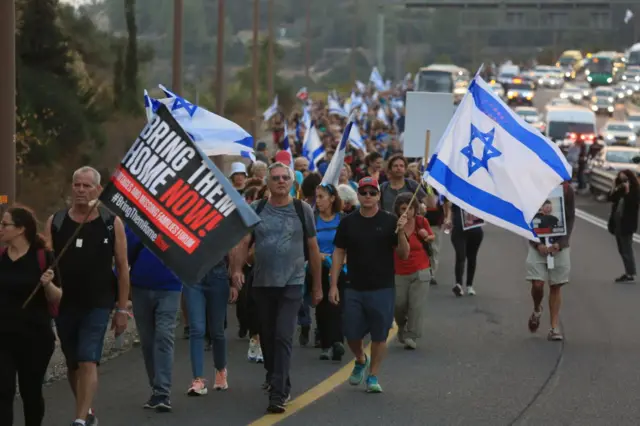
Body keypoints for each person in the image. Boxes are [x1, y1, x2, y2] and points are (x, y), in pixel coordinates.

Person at [230, 162, 322, 414]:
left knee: (282, 335)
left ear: (292, 182)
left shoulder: (302, 210)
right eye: (275, 178)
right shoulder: (256, 208)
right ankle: (275, 376)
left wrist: (317, 285)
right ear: (267, 183)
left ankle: (278, 393)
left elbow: (313, 249)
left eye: (285, 177)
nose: (281, 181)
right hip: (262, 283)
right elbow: (243, 242)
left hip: (292, 283)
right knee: (268, 338)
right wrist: (237, 269)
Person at [45, 166, 130, 426]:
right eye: (77, 185)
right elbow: (46, 262)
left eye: (87, 186)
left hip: (98, 302)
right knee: (72, 362)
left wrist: (122, 308)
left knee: (88, 358)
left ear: (98, 189)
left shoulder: (110, 222)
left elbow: (122, 266)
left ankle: (79, 420)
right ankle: (87, 410)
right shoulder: (56, 221)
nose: (81, 190)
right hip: (64, 302)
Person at [329, 177, 410, 393]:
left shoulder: (390, 221)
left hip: (382, 287)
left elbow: (403, 254)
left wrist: (401, 232)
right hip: (354, 285)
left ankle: (373, 376)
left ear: (378, 196)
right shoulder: (348, 222)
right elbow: (338, 252)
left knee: (379, 335)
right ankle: (360, 358)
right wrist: (333, 284)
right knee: (352, 334)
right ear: (358, 195)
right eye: (363, 192)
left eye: (372, 193)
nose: (367, 196)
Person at [0, 206, 61, 426]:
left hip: (35, 337)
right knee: (3, 391)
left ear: (20, 229)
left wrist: (48, 285)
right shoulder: (1, 257)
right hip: (3, 337)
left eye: (5, 224)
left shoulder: (44, 257)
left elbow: (57, 298)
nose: (1, 228)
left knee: (30, 392)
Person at [127, 225, 182, 412]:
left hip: (170, 285)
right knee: (148, 340)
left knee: (164, 336)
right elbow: (123, 253)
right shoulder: (135, 221)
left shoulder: (178, 222)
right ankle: (156, 387)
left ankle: (162, 392)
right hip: (139, 286)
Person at [526, 181, 575, 341]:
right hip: (537, 246)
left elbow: (569, 220)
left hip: (559, 246)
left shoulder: (567, 189)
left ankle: (554, 327)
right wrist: (537, 243)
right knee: (537, 284)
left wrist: (560, 244)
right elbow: (526, 219)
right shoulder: (532, 186)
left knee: (555, 286)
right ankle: (537, 308)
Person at [184, 258, 235, 396]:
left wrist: (234, 277)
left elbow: (232, 245)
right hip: (193, 274)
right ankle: (198, 380)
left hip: (218, 273)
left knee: (217, 330)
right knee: (197, 329)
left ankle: (220, 369)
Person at [392, 193, 434, 350]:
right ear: (397, 209)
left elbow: (431, 237)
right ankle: (402, 327)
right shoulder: (393, 225)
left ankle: (412, 335)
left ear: (415, 209)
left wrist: (426, 236)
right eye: (403, 208)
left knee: (416, 305)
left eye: (410, 208)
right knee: (398, 304)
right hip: (399, 271)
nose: (407, 212)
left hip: (420, 269)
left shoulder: (421, 222)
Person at [313, 183, 347, 361]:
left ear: (332, 198)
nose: (318, 201)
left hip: (340, 267)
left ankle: (337, 342)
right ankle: (326, 344)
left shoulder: (342, 219)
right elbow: (308, 242)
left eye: (321, 197)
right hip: (318, 268)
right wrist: (317, 255)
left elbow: (348, 242)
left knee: (337, 304)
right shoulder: (313, 219)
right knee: (322, 304)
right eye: (316, 197)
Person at [443, 201, 484, 296]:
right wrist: (448, 219)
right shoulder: (456, 192)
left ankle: (470, 285)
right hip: (459, 230)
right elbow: (449, 206)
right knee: (460, 255)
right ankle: (458, 284)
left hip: (475, 229)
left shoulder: (478, 193)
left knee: (472, 257)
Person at [608, 170, 640, 283]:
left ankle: (630, 273)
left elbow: (633, 203)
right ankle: (628, 272)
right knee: (622, 249)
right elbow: (610, 198)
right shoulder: (620, 188)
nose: (623, 181)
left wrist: (627, 191)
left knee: (627, 249)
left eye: (625, 178)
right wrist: (614, 186)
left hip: (627, 224)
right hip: (617, 223)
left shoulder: (635, 190)